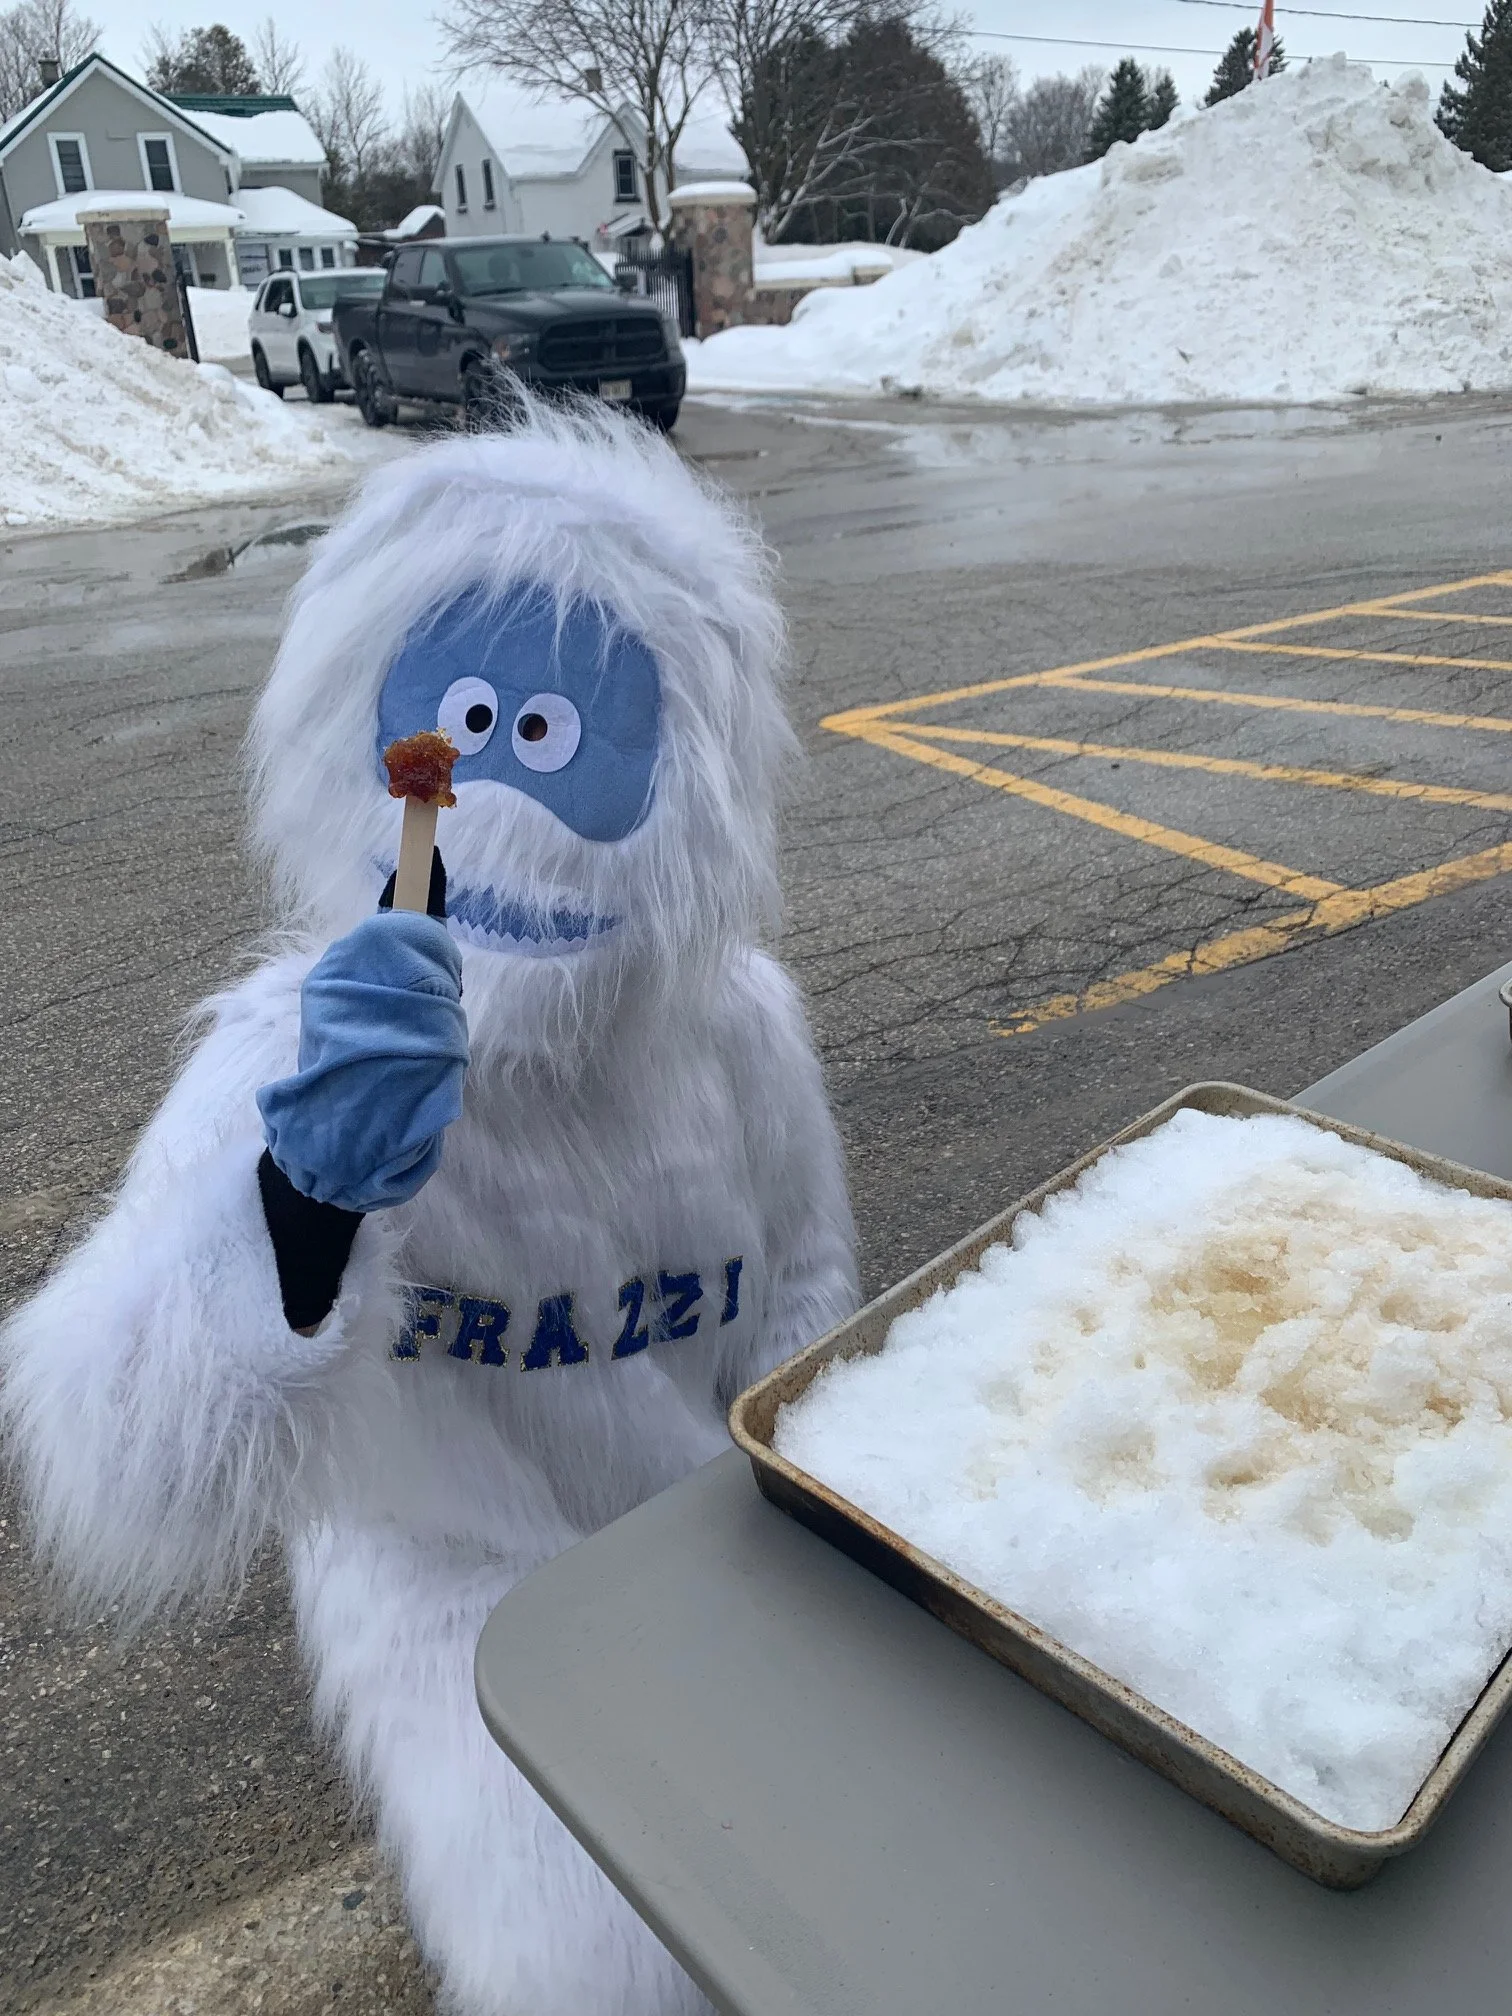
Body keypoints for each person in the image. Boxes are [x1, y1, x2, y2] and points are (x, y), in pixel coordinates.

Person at [1, 403, 858, 2015]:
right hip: (460, 1594)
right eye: (465, 728)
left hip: (708, 1530)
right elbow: (120, 1474)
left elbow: (808, 1290)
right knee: (608, 1964)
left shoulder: (738, 1028)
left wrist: (818, 1519)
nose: (511, 797)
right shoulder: (296, 1053)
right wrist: (302, 1203)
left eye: (572, 735)